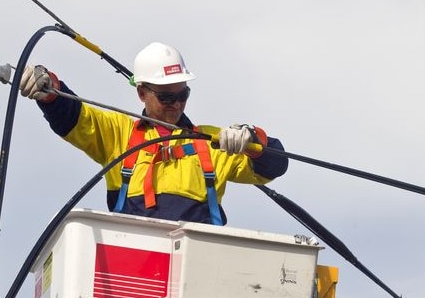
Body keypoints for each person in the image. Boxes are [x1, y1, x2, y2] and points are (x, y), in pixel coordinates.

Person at [20, 42, 288, 225]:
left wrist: (252, 139)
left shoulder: (212, 142)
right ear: (141, 93)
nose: (177, 104)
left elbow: (276, 164)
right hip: (134, 277)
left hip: (197, 276)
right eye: (166, 97)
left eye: (183, 95)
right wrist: (50, 88)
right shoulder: (118, 135)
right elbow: (74, 116)